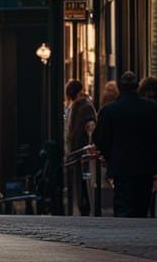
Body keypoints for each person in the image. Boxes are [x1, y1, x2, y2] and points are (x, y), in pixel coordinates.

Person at [92, 71, 157, 218]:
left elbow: (99, 139)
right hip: (145, 166)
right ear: (137, 87)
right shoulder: (152, 109)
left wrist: (109, 156)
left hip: (121, 166)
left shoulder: (108, 111)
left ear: (120, 87)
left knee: (123, 206)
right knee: (142, 205)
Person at [63, 79, 97, 216]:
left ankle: (85, 207)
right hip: (77, 152)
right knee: (80, 182)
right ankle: (83, 206)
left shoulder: (82, 107)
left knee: (83, 180)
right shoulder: (78, 106)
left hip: (81, 152)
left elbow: (90, 128)